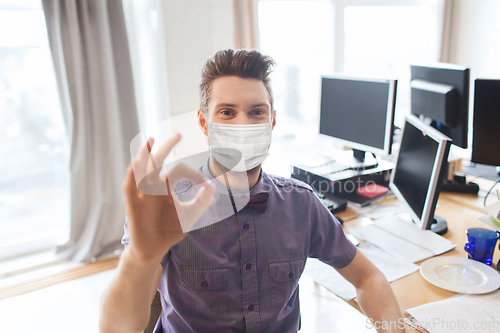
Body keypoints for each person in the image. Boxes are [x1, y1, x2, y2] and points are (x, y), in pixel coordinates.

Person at [99, 49, 405, 333]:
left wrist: (393, 327)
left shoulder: (303, 205)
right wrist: (139, 258)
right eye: (227, 113)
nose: (243, 125)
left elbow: (367, 277)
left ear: (272, 121)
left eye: (257, 112)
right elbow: (118, 327)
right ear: (204, 123)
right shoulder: (168, 208)